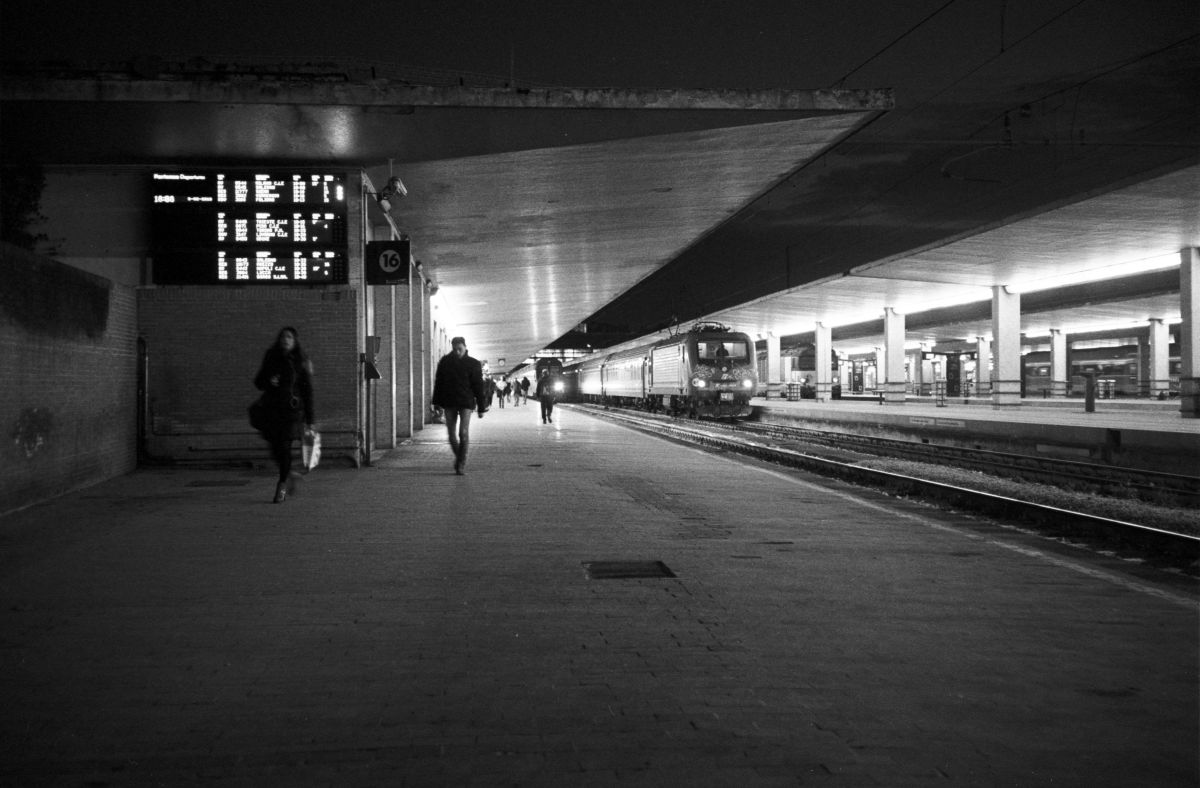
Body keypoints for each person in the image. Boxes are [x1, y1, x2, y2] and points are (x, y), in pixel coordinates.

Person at [253, 326, 315, 503]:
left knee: (285, 447)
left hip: (291, 412)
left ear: (295, 341)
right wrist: (269, 381)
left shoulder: (301, 360)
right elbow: (258, 382)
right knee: (275, 448)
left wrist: (310, 419)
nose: (285, 340)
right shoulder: (271, 357)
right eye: (283, 337)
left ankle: (281, 486)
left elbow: (307, 390)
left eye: (289, 337)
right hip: (272, 410)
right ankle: (291, 474)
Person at [431, 336, 487, 475]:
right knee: (451, 435)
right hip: (449, 402)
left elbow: (478, 386)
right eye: (455, 349)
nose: (457, 352)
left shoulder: (473, 363)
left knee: (463, 432)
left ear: (465, 347)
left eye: (460, 349)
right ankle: (460, 457)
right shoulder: (445, 362)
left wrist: (481, 407)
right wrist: (437, 403)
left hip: (466, 403)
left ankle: (460, 463)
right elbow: (439, 383)